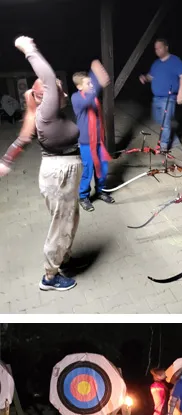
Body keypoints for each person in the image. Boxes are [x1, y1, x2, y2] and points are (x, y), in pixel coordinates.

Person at [0, 36, 107, 291]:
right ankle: (49, 276)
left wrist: (6, 161)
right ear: (46, 95)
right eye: (59, 89)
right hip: (59, 175)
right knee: (61, 224)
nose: (64, 92)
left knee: (68, 220)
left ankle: (62, 259)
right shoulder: (46, 113)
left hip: (59, 175)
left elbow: (22, 139)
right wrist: (29, 49)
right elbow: (47, 79)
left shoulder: (42, 116)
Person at [71, 68, 115, 212]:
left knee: (102, 168)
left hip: (99, 141)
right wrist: (98, 82)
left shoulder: (94, 97)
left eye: (91, 83)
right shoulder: (76, 98)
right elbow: (86, 103)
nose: (91, 86)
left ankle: (101, 191)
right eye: (88, 83)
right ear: (79, 86)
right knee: (88, 170)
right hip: (86, 142)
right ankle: (83, 196)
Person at [139, 38, 182, 152]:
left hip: (169, 97)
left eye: (160, 47)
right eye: (156, 48)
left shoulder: (175, 60)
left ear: (166, 47)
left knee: (165, 123)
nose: (157, 50)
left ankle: (163, 147)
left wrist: (180, 93)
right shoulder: (156, 64)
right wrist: (145, 78)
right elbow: (151, 77)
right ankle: (174, 140)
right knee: (158, 119)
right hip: (156, 98)